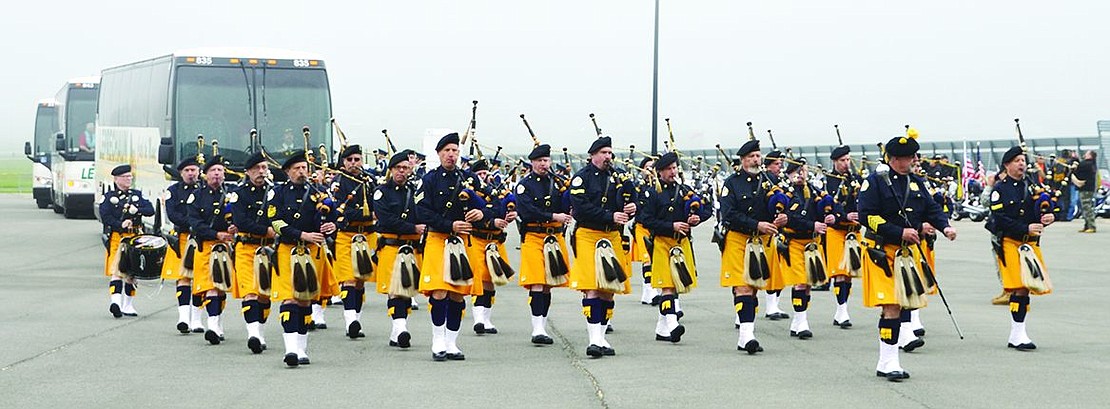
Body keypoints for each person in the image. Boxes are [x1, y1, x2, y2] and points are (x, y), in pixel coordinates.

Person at [858, 129, 957, 382]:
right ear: (893, 158)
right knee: (891, 305)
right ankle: (889, 361)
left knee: (900, 304)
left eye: (912, 156)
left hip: (906, 253)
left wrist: (944, 226)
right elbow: (867, 215)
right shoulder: (875, 181)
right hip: (881, 251)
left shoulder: (916, 182)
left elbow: (930, 208)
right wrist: (899, 231)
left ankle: (886, 360)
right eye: (907, 157)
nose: (912, 161)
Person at [416, 133, 492, 361]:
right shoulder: (429, 180)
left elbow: (494, 203)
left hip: (462, 243)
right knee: (439, 291)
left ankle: (452, 342)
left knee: (458, 295)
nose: (451, 155)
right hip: (439, 239)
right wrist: (450, 224)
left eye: (455, 151)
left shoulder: (470, 179)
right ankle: (437, 340)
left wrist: (482, 213)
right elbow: (421, 211)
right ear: (439, 153)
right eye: (447, 150)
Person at [568, 136, 637, 358]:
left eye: (610, 153)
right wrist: (609, 215)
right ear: (593, 155)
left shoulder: (619, 177)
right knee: (592, 286)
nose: (608, 157)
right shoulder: (581, 178)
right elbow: (580, 207)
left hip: (613, 236)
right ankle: (594, 339)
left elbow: (631, 199)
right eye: (604, 153)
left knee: (609, 289)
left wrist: (633, 206)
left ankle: (602, 336)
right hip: (588, 234)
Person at [269, 150, 336, 367]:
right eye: (296, 168)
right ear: (288, 171)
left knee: (305, 300)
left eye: (304, 168)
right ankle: (290, 349)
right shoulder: (278, 193)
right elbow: (275, 223)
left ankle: (301, 347)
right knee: (290, 298)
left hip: (312, 252)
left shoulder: (319, 193)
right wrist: (301, 234)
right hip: (287, 250)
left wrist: (331, 226)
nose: (301, 172)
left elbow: (334, 217)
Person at [986, 146, 1056, 350]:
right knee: (1019, 286)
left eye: (1023, 160)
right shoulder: (999, 189)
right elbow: (999, 219)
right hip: (1009, 242)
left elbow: (1043, 207)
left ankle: (1018, 332)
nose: (1021, 163)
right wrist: (1025, 227)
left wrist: (1049, 216)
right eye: (1016, 160)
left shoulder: (1033, 186)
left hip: (1030, 244)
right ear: (1007, 165)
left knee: (1025, 289)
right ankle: (1017, 333)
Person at [638, 152, 711, 343]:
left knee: (675, 285)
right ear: (660, 172)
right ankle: (672, 324)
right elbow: (646, 219)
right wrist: (672, 226)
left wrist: (697, 219)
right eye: (669, 169)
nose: (673, 172)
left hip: (682, 243)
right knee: (668, 286)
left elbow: (707, 209)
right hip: (662, 242)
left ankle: (662, 328)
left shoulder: (685, 190)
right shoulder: (652, 192)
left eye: (674, 168)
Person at [719, 139, 782, 354]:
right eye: (751, 157)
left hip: (762, 241)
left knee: (754, 289)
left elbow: (781, 206)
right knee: (743, 286)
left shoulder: (770, 181)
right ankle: (746, 336)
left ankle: (747, 331)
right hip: (738, 239)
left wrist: (782, 218)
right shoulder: (732, 183)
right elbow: (728, 214)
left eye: (758, 155)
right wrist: (756, 224)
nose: (756, 160)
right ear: (743, 160)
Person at [514, 144, 572, 345]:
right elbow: (527, 211)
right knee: (537, 281)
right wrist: (553, 215)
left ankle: (542, 326)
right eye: (539, 161)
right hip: (533, 236)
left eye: (546, 160)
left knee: (548, 284)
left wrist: (569, 196)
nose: (543, 164)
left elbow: (567, 206)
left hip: (554, 238)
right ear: (532, 163)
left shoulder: (557, 183)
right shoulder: (524, 185)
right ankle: (537, 328)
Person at [373, 151, 426, 349]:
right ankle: (401, 328)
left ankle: (397, 332)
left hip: (412, 248)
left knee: (406, 291)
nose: (401, 172)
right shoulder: (382, 192)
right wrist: (413, 228)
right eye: (398, 168)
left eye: (405, 168)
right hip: (392, 246)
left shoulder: (414, 191)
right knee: (395, 291)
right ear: (391, 170)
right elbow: (386, 219)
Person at [779, 157, 834, 340]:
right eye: (797, 172)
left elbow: (828, 207)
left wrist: (831, 217)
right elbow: (790, 218)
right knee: (800, 282)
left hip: (813, 243)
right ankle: (801, 321)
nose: (801, 175)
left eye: (803, 170)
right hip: (794, 242)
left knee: (809, 283)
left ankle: (798, 320)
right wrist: (813, 225)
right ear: (789, 174)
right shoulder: (785, 194)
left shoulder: (814, 191)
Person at [186, 155, 238, 345]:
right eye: (213, 171)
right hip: (206, 245)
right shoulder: (197, 196)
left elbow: (239, 216)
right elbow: (195, 223)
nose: (217, 174)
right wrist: (217, 234)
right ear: (205, 175)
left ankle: (217, 322)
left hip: (226, 247)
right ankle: (213, 326)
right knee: (210, 287)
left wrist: (234, 227)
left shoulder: (232, 193)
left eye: (220, 170)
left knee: (221, 288)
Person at [230, 152, 275, 353]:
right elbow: (240, 221)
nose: (261, 172)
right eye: (256, 168)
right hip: (247, 248)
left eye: (264, 167)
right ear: (248, 172)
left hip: (269, 249)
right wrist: (265, 230)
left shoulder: (275, 192)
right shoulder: (239, 194)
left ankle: (260, 330)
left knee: (264, 294)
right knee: (250, 292)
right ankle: (253, 333)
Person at [331, 145, 377, 339]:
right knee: (349, 278)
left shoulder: (369, 181)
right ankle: (350, 320)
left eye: (357, 160)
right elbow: (339, 211)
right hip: (346, 235)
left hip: (367, 235)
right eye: (349, 160)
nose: (353, 164)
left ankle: (356, 319)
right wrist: (367, 214)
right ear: (344, 162)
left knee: (359, 280)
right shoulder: (338, 183)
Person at [465, 159, 515, 335]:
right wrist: (492, 220)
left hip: (495, 241)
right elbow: (472, 214)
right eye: (479, 174)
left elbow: (507, 204)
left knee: (491, 280)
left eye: (484, 173)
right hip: (477, 240)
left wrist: (511, 213)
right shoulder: (470, 193)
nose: (483, 177)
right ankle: (478, 319)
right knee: (478, 279)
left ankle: (486, 319)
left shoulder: (497, 191)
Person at [100, 164, 155, 318]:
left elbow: (151, 210)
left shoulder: (137, 195)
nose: (129, 179)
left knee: (132, 273)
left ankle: (128, 305)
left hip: (135, 237)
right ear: (117, 179)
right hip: (119, 237)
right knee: (117, 271)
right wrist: (120, 224)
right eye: (125, 177)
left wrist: (137, 210)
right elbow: (105, 217)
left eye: (130, 177)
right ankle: (115, 302)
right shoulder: (109, 197)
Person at [162, 157, 205, 333]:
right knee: (183, 278)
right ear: (181, 173)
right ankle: (183, 318)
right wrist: (193, 222)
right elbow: (172, 214)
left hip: (201, 238)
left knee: (199, 278)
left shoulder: (204, 190)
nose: (190, 174)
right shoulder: (173, 191)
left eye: (193, 170)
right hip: (182, 237)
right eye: (187, 171)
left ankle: (196, 319)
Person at [823, 145, 863, 328]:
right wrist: (844, 216)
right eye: (842, 161)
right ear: (834, 162)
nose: (846, 164)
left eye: (848, 160)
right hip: (836, 231)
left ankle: (842, 309)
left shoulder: (856, 179)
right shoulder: (828, 180)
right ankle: (842, 310)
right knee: (840, 272)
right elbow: (829, 204)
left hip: (854, 232)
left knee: (849, 273)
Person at [761, 149, 791, 321]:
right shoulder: (766, 181)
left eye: (781, 164)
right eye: (777, 164)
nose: (780, 167)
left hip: (778, 231)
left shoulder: (779, 181)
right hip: (765, 230)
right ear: (768, 166)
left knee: (776, 272)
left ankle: (773, 306)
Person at [631, 156, 661, 306]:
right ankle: (651, 291)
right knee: (647, 260)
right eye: (647, 167)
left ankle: (647, 292)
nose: (650, 170)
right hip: (642, 227)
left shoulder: (660, 186)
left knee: (655, 260)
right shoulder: (637, 186)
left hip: (657, 229)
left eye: (653, 167)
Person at [1073, 150, 1099, 233]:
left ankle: (1091, 226)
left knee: (1087, 207)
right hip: (1088, 188)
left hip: (1086, 188)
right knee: (1085, 207)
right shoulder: (1091, 164)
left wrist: (1075, 160)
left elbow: (1078, 169)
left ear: (1090, 156)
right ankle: (1087, 225)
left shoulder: (1087, 164)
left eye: (1087, 153)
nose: (1084, 154)